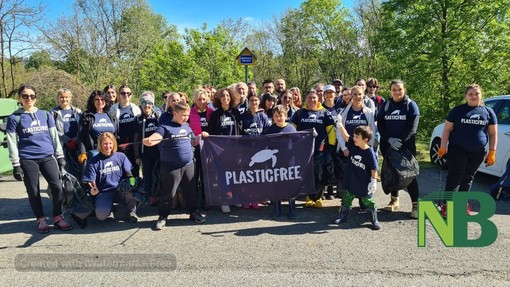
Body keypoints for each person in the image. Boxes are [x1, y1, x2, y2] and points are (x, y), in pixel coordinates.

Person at [6, 84, 72, 233]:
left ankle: (57, 217)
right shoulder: (14, 118)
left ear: (35, 97)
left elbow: (54, 136)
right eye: (25, 96)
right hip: (28, 158)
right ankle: (40, 219)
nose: (29, 99)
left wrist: (60, 155)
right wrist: (16, 164)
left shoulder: (45, 114)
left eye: (32, 96)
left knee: (57, 187)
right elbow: (11, 141)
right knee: (33, 190)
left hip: (47, 156)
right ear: (20, 98)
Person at [143, 101, 206, 230]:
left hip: (188, 164)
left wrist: (200, 137)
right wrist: (150, 141)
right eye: (183, 115)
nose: (186, 118)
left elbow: (193, 142)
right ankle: (163, 217)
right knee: (168, 194)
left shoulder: (187, 127)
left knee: (191, 192)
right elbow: (157, 137)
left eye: (187, 115)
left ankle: (194, 213)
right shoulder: (165, 126)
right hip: (170, 166)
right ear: (175, 113)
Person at [437, 84, 497, 215]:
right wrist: (442, 146)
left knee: (468, 178)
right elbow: (447, 129)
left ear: (481, 95)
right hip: (457, 150)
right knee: (455, 176)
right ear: (466, 96)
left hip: (477, 152)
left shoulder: (488, 112)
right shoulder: (458, 110)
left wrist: (492, 151)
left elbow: (493, 133)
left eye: (477, 94)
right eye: (470, 94)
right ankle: (447, 206)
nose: (474, 96)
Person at [377, 80, 420, 219]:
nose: (397, 92)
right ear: (390, 91)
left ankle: (416, 205)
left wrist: (400, 140)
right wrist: (389, 139)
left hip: (406, 145)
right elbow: (381, 124)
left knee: (409, 173)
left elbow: (412, 126)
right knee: (393, 172)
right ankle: (394, 200)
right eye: (394, 89)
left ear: (404, 89)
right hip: (388, 144)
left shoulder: (410, 105)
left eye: (399, 89)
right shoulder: (386, 105)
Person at [290, 90, 336, 208]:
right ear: (306, 99)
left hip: (320, 150)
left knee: (320, 174)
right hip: (303, 150)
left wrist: (331, 146)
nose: (312, 100)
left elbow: (331, 130)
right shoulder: (300, 113)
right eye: (309, 98)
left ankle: (319, 197)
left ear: (318, 99)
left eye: (314, 98)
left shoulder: (324, 113)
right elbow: (291, 129)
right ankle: (309, 197)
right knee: (306, 174)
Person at [82, 132, 139, 223]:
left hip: (120, 189)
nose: (107, 146)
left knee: (131, 192)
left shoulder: (121, 156)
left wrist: (132, 183)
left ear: (114, 144)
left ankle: (131, 212)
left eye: (110, 143)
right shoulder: (93, 161)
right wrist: (92, 190)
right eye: (105, 143)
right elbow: (90, 181)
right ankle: (110, 209)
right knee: (101, 215)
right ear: (100, 145)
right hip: (104, 192)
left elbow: (129, 174)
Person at [334, 125, 380, 230]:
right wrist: (340, 124)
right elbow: (346, 136)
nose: (354, 138)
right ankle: (342, 216)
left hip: (363, 184)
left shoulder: (369, 153)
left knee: (369, 202)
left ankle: (374, 219)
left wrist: (373, 182)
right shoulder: (353, 145)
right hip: (351, 181)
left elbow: (374, 169)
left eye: (357, 137)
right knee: (346, 199)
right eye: (354, 136)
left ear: (365, 140)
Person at [207, 88, 242, 213]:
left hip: (235, 150)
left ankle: (236, 198)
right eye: (223, 96)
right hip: (220, 151)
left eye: (227, 96)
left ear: (231, 98)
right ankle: (225, 200)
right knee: (222, 176)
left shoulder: (236, 113)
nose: (225, 98)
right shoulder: (215, 115)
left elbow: (241, 132)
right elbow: (211, 133)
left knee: (235, 175)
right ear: (219, 98)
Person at [264, 105, 298, 219]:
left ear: (286, 116)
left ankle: (292, 209)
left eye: (281, 115)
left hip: (289, 162)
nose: (279, 118)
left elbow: (299, 143)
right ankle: (277, 210)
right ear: (273, 117)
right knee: (276, 186)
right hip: (275, 163)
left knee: (290, 186)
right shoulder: (270, 130)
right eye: (276, 116)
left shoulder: (291, 129)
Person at [133, 94, 161, 205]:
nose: (147, 105)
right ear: (141, 105)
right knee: (147, 176)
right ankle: (150, 198)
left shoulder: (158, 117)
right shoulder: (137, 119)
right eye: (144, 103)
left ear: (153, 105)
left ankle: (158, 196)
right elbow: (135, 139)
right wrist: (137, 156)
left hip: (158, 152)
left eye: (149, 103)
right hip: (145, 154)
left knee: (158, 175)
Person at [189, 89, 214, 209]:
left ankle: (205, 200)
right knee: (194, 176)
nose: (202, 101)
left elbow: (214, 130)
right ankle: (193, 202)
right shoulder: (190, 113)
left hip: (208, 148)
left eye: (204, 99)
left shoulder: (211, 112)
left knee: (206, 176)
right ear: (195, 100)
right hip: (194, 148)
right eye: (199, 99)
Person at [110, 84, 141, 177]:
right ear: (119, 94)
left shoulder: (135, 108)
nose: (126, 95)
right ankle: (124, 188)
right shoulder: (114, 108)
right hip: (120, 142)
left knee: (134, 167)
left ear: (131, 95)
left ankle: (133, 186)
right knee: (121, 167)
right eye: (123, 93)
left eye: (128, 93)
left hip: (133, 143)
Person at [78, 90, 116, 164]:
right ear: (93, 101)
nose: (100, 102)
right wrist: (82, 152)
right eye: (97, 100)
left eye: (102, 99)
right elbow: (81, 135)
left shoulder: (111, 115)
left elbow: (116, 134)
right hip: (95, 152)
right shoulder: (87, 115)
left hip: (110, 151)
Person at [337, 85, 376, 157]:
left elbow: (372, 130)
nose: (357, 97)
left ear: (363, 95)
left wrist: (368, 146)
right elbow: (339, 131)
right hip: (348, 150)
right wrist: (344, 148)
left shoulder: (368, 112)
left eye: (360, 94)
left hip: (363, 149)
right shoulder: (344, 112)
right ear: (351, 95)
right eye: (355, 94)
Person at [51, 88, 82, 178]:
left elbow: (82, 128)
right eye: (61, 97)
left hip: (77, 145)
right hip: (62, 145)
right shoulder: (53, 113)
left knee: (79, 169)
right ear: (58, 98)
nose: (64, 99)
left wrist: (75, 140)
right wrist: (67, 141)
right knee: (63, 170)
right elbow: (53, 129)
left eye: (66, 97)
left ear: (70, 98)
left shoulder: (77, 111)